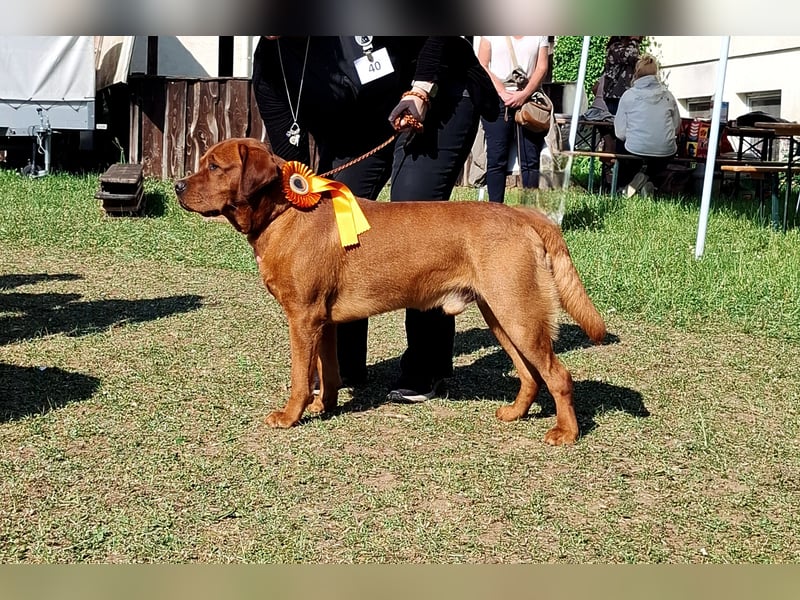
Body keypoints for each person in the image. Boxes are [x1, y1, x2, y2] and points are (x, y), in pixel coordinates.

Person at [252, 36, 499, 401]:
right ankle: (341, 365)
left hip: (436, 93)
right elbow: (295, 169)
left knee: (413, 210)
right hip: (361, 121)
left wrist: (420, 90)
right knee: (337, 215)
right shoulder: (270, 65)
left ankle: (425, 365)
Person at [476, 36, 550, 203]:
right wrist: (501, 91)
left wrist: (524, 94)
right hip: (497, 101)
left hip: (529, 101)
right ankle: (496, 209)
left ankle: (529, 209)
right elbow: (482, 64)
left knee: (530, 159)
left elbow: (542, 67)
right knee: (496, 159)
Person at [613, 54, 681, 196]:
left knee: (620, 145)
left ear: (636, 74)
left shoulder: (628, 96)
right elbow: (676, 128)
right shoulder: (668, 96)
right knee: (665, 149)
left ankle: (624, 185)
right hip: (665, 151)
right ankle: (649, 179)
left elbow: (620, 133)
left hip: (634, 149)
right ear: (656, 74)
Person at [601, 36, 643, 116]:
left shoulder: (633, 47)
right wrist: (634, 40)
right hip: (615, 97)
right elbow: (628, 55)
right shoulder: (615, 47)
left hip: (628, 95)